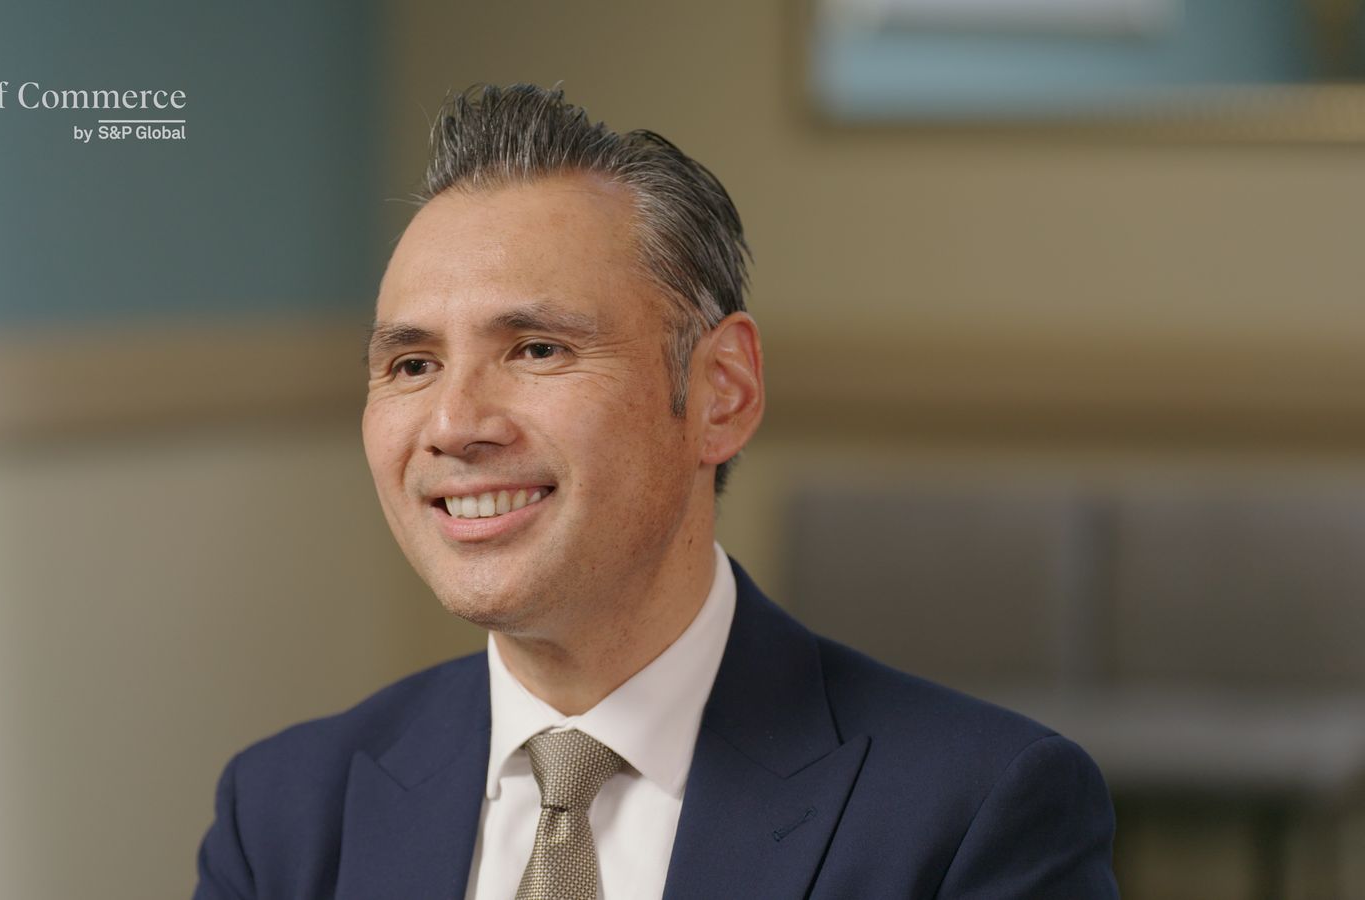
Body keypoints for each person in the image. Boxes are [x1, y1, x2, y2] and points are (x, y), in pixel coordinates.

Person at [193, 83, 1117, 900]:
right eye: (411, 364)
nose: (453, 423)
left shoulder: (976, 815)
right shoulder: (281, 815)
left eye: (537, 349)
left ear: (723, 394)